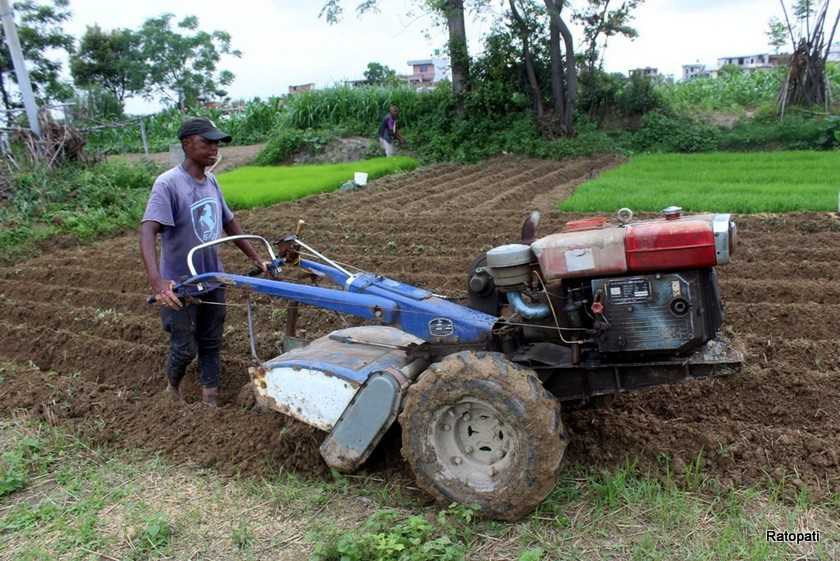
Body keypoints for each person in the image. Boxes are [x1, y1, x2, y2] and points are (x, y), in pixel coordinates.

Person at [140, 116, 269, 407]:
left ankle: (209, 400)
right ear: (187, 144)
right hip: (181, 286)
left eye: (216, 143)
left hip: (212, 279)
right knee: (185, 349)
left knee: (211, 343)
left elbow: (229, 222)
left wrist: (256, 257)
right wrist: (157, 281)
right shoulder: (169, 184)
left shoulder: (211, 180)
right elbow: (147, 230)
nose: (214, 148)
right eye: (207, 142)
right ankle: (172, 389)